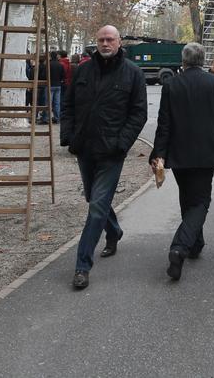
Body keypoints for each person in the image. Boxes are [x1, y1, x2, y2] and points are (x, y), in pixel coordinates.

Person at [61, 25, 146, 290]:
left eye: (110, 39)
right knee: (93, 198)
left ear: (120, 42)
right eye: (101, 39)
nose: (105, 43)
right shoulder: (83, 70)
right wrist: (68, 136)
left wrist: (122, 143)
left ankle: (82, 266)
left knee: (97, 205)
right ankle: (115, 231)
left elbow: (138, 113)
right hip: (85, 147)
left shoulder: (133, 73)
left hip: (112, 151)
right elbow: (68, 104)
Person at [149, 42, 214, 281]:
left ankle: (196, 243)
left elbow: (164, 123)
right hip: (206, 153)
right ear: (202, 59)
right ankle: (180, 246)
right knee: (200, 202)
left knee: (188, 198)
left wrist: (159, 153)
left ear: (183, 61)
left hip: (178, 152)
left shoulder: (171, 84)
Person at [47, 49, 65, 124]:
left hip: (50, 84)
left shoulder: (48, 64)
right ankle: (57, 118)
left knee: (48, 102)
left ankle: (47, 117)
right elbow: (62, 75)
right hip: (58, 85)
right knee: (57, 102)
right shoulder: (60, 65)